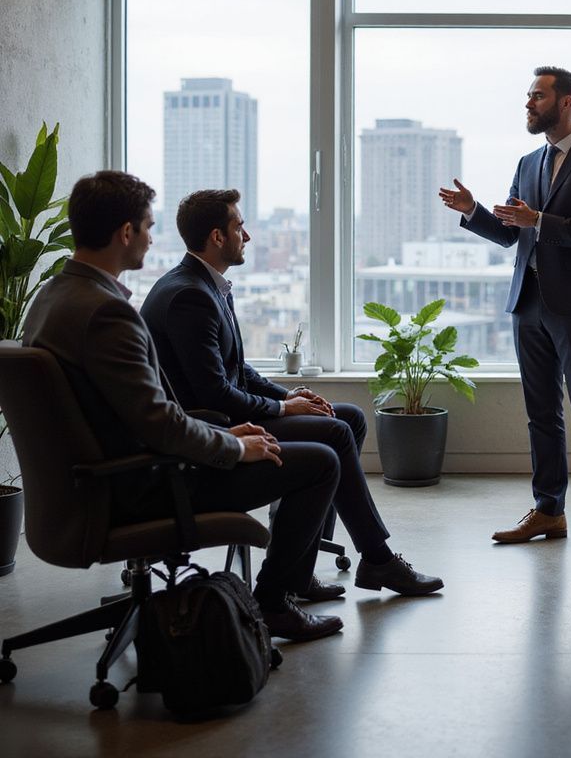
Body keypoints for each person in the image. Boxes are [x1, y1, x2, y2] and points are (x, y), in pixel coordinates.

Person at [22, 171, 342, 643]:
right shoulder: (108, 313)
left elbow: (136, 413)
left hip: (90, 481)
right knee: (321, 461)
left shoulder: (51, 297)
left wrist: (228, 433)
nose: (153, 240)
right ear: (126, 232)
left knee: (311, 444)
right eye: (148, 227)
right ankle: (273, 603)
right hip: (148, 482)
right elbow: (159, 424)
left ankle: (289, 589)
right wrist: (232, 447)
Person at [140, 188, 443, 600]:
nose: (246, 236)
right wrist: (284, 406)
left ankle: (303, 565)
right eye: (239, 226)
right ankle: (376, 557)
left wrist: (289, 393)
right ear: (216, 236)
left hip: (226, 413)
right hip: (220, 429)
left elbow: (236, 368)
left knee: (348, 416)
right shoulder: (190, 296)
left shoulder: (203, 285)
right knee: (334, 431)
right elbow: (216, 394)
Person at [439, 66, 571, 556]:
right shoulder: (527, 163)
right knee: (541, 415)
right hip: (529, 305)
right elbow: (510, 233)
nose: (528, 104)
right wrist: (473, 210)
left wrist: (539, 219)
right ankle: (549, 510)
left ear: (565, 103)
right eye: (528, 96)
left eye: (537, 96)